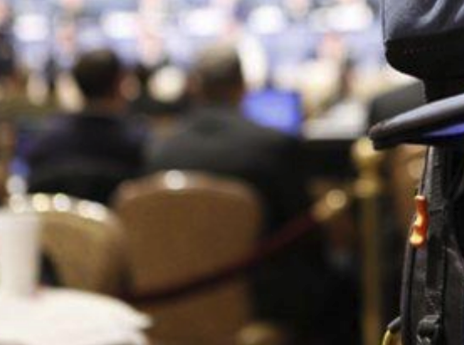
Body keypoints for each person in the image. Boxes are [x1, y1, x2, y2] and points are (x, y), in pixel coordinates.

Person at [146, 44, 337, 340]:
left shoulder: (160, 151)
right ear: (242, 86)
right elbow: (305, 236)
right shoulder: (273, 147)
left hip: (172, 297)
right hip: (259, 303)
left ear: (195, 87)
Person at [25, 49, 145, 200]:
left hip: (59, 222)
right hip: (119, 222)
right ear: (119, 85)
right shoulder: (136, 144)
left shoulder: (46, 140)